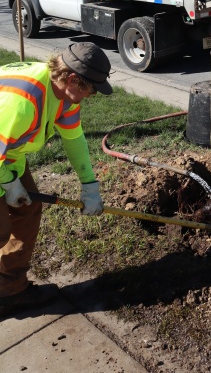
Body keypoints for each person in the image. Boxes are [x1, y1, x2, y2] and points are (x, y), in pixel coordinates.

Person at [0, 42, 113, 316]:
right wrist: (8, 182)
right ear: (72, 78)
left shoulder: (63, 95)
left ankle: (10, 293)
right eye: (91, 89)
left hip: (6, 156)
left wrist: (89, 184)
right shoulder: (22, 104)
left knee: (26, 210)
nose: (91, 95)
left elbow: (73, 138)